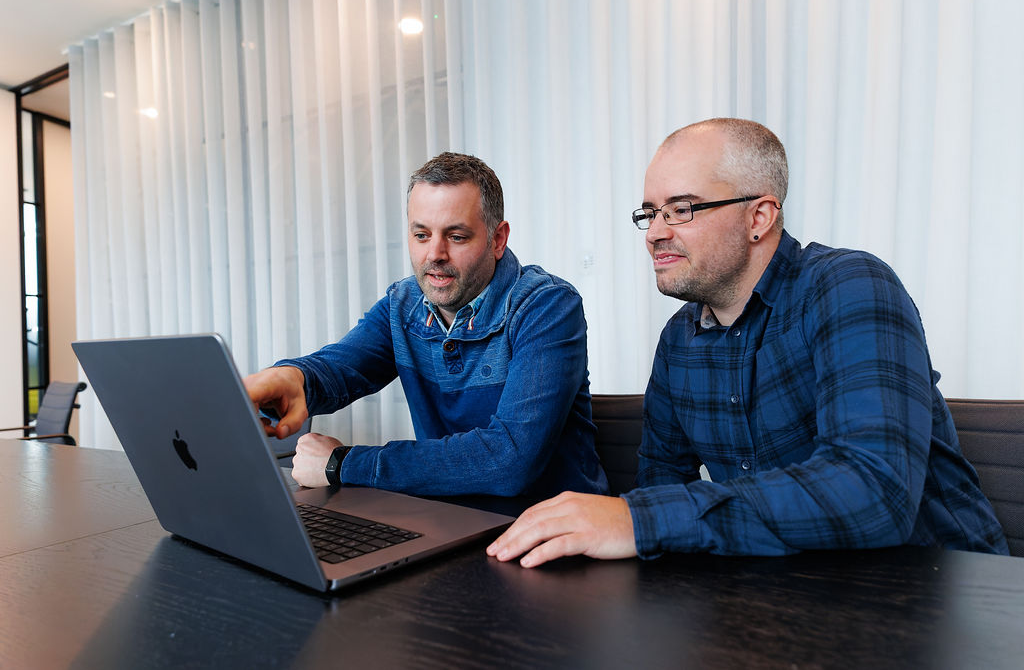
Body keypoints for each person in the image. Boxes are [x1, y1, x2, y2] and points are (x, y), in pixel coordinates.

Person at [487, 118, 1008, 567]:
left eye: (682, 209)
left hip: (940, 598)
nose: (653, 233)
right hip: (791, 598)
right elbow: (660, 488)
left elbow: (873, 493)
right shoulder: (678, 341)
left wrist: (637, 521)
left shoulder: (850, 286)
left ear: (759, 217)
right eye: (650, 212)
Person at [244, 151, 608, 499]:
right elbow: (340, 367)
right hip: (451, 525)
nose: (434, 254)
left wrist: (344, 463)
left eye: (457, 236)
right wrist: (294, 378)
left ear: (497, 240)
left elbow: (509, 460)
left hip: (549, 539)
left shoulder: (547, 306)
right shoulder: (402, 305)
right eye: (421, 235)